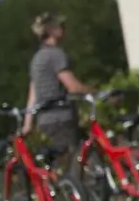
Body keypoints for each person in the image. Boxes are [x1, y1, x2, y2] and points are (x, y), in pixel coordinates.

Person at [22, 12, 92, 173]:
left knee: (59, 168)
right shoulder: (56, 55)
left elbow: (33, 93)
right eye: (61, 26)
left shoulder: (37, 59)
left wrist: (28, 123)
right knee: (75, 167)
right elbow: (73, 86)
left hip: (45, 122)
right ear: (52, 30)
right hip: (62, 118)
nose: (64, 29)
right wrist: (97, 93)